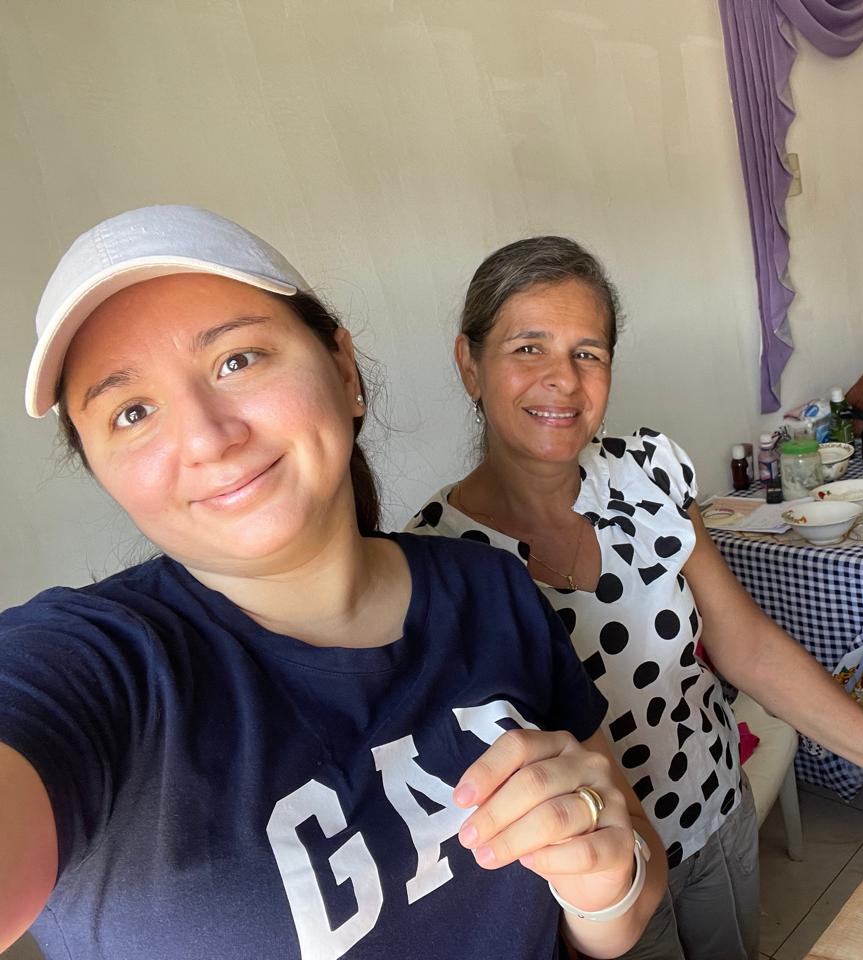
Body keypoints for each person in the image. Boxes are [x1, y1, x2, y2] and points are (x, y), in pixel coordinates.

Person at [0, 206, 665, 960]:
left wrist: (605, 884)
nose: (208, 438)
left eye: (237, 361)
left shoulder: (492, 588)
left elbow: (626, 896)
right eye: (132, 412)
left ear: (344, 371)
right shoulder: (93, 667)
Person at [407, 236, 863, 960]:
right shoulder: (434, 565)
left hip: (715, 814)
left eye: (588, 352)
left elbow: (750, 649)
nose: (563, 379)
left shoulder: (648, 474)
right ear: (470, 364)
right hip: (590, 892)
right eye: (528, 348)